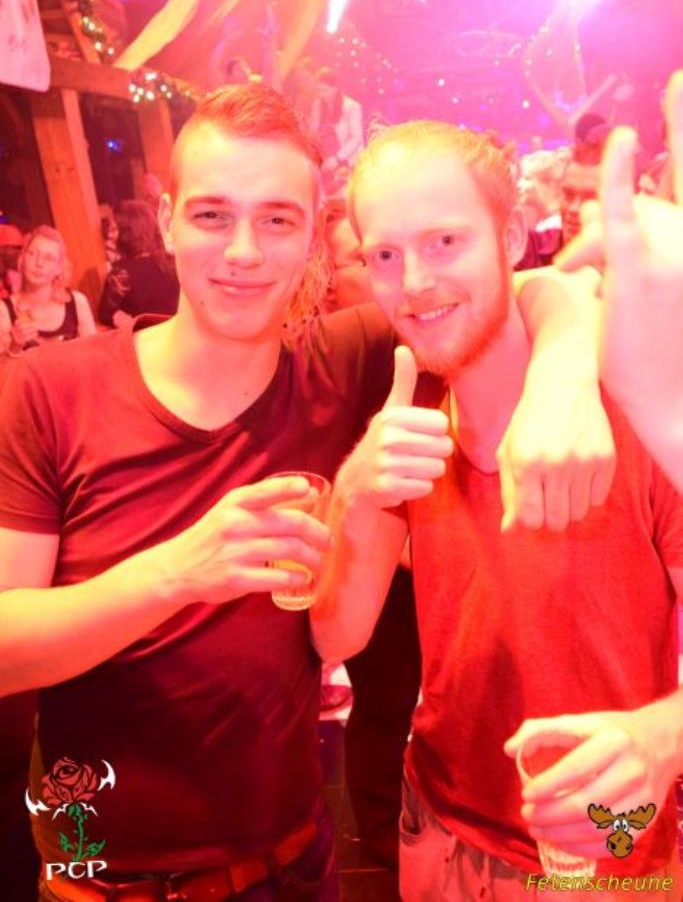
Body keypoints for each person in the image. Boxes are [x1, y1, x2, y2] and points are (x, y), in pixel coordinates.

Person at [0, 84, 616, 902]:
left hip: (293, 861)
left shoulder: (343, 364)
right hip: (102, 878)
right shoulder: (49, 391)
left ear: (313, 240)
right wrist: (173, 573)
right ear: (169, 218)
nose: (244, 251)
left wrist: (563, 373)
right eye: (213, 215)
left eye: (277, 220)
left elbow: (532, 286)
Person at [313, 118, 683, 901]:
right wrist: (355, 491)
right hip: (436, 821)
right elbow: (334, 635)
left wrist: (661, 738)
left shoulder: (631, 419)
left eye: (445, 242)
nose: (414, 281)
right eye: (384, 255)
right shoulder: (409, 414)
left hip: (607, 852)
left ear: (510, 236)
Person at [323, 195, 422, 869]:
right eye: (369, 258)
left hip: (435, 565)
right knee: (385, 702)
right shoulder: (328, 360)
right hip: (376, 573)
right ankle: (382, 842)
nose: (396, 275)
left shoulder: (428, 337)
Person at [557, 69, 683, 494]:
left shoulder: (658, 283)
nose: (576, 209)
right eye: (567, 194)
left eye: (590, 197)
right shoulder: (540, 263)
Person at [0, 226, 96, 358]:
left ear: (59, 268)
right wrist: (14, 347)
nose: (39, 263)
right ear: (22, 259)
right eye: (32, 254)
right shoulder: (4, 310)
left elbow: (94, 356)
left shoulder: (77, 303)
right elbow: (3, 369)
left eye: (49, 258)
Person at [98, 199, 179, 328]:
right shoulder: (172, 260)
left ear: (129, 232)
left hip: (146, 338)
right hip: (179, 334)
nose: (110, 235)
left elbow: (104, 314)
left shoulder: (122, 273)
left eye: (114, 229)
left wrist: (118, 316)